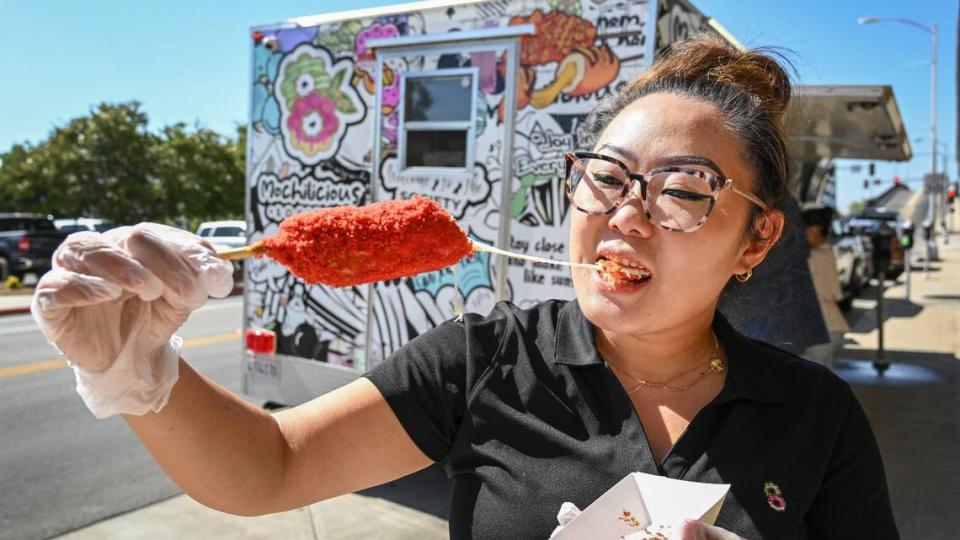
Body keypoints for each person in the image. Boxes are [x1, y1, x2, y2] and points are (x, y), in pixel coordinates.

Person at [31, 37, 898, 539]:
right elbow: (271, 467)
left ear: (758, 239)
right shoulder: (489, 360)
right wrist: (140, 377)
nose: (626, 214)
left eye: (681, 190)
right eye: (606, 176)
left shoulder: (814, 416)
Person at [801, 208, 849, 367]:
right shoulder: (827, 252)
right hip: (830, 324)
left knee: (814, 381)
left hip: (819, 326)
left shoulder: (813, 257)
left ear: (814, 231)